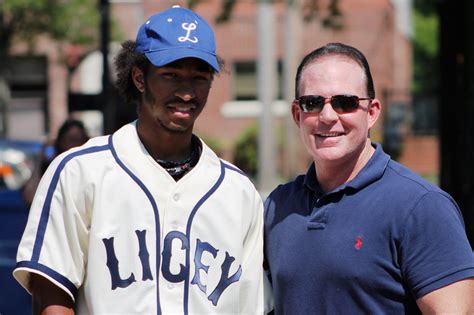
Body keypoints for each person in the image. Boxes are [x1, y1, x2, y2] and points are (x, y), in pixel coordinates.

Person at [14, 6, 266, 314]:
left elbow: (252, 305)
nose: (187, 92)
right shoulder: (81, 171)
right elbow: (51, 296)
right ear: (139, 78)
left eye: (199, 77)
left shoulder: (238, 192)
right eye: (171, 75)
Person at [264, 42, 474, 313]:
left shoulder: (421, 207)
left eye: (345, 103)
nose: (327, 116)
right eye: (312, 103)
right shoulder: (278, 206)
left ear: (372, 112)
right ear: (297, 114)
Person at [21, 119, 89, 207]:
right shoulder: (50, 167)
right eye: (72, 140)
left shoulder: (90, 168)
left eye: (80, 140)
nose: (76, 145)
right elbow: (30, 197)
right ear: (61, 142)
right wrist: (39, 159)